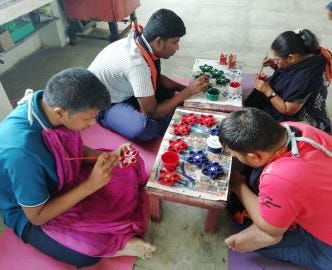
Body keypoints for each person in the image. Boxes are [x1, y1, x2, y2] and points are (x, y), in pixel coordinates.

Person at [0, 68, 156, 268]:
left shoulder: (49, 104)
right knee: (87, 254)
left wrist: (109, 157)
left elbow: (71, 146)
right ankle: (118, 245)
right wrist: (91, 185)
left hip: (63, 175)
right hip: (30, 210)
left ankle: (111, 237)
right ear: (60, 113)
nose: (93, 124)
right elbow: (37, 216)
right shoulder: (20, 152)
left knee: (126, 166)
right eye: (88, 119)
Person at [219, 107, 332, 270]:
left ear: (255, 156)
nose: (235, 159)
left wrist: (238, 185)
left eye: (236, 156)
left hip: (327, 243)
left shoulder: (279, 178)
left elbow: (271, 228)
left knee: (258, 240)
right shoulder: (294, 128)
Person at [88, 9, 208, 141]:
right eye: (174, 42)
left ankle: (150, 106)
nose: (177, 47)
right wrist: (187, 93)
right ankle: (106, 118)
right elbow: (152, 112)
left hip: (122, 89)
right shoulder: (137, 65)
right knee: (144, 128)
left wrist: (185, 89)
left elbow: (156, 78)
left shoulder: (141, 41)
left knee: (166, 92)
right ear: (158, 42)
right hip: (105, 103)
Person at [244, 29, 331, 133]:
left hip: (301, 117)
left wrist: (267, 91)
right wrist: (274, 64)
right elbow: (291, 72)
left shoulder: (303, 78)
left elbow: (287, 109)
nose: (275, 61)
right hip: (305, 99)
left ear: (291, 58)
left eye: (277, 59)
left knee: (259, 127)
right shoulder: (312, 54)